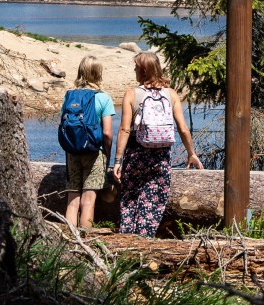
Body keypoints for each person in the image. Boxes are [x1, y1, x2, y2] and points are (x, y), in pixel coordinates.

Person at [112, 51, 202, 236]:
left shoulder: (132, 94)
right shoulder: (171, 94)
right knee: (153, 203)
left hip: (136, 154)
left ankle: (127, 243)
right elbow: (183, 128)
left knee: (130, 200)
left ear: (143, 71)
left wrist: (118, 161)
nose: (134, 71)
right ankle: (144, 243)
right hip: (161, 156)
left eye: (136, 68)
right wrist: (191, 153)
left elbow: (124, 130)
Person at [64, 55, 115, 229]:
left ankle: (68, 243)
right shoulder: (104, 98)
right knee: (88, 201)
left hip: (72, 151)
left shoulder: (69, 96)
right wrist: (108, 153)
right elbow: (107, 133)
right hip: (95, 152)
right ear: (98, 73)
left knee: (72, 201)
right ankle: (86, 243)